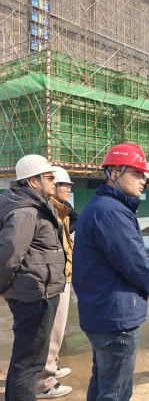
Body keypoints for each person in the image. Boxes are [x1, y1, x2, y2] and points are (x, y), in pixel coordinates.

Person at [72, 143, 149, 401]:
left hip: (103, 310)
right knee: (116, 392)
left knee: (102, 383)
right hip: (115, 316)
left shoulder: (102, 206)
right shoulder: (111, 212)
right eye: (136, 174)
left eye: (143, 175)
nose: (143, 181)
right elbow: (133, 260)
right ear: (114, 173)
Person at [0, 155, 66, 401]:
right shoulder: (26, 212)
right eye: (48, 178)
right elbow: (8, 255)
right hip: (34, 296)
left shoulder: (37, 206)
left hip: (40, 291)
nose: (54, 182)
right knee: (28, 363)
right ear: (33, 181)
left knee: (28, 360)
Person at [36, 166, 78, 399]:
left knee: (57, 329)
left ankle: (51, 366)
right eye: (64, 185)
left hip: (61, 274)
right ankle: (44, 382)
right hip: (51, 278)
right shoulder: (44, 211)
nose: (68, 189)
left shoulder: (60, 210)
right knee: (49, 331)